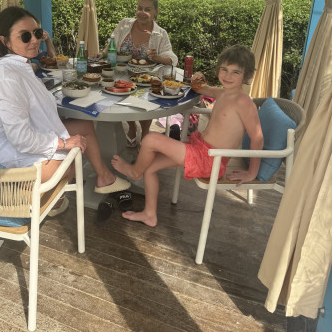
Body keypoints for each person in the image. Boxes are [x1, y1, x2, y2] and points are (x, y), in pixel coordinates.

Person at [0, 7, 130, 214]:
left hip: (28, 137)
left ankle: (104, 177)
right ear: (5, 41)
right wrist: (63, 143)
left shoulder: (21, 67)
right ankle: (38, 197)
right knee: (72, 161)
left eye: (36, 33)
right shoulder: (8, 79)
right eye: (25, 36)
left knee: (84, 125)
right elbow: (20, 139)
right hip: (12, 158)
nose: (34, 40)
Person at [111, 45, 263, 227]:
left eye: (235, 72)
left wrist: (252, 172)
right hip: (199, 150)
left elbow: (257, 137)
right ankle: (149, 214)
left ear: (247, 76)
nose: (228, 76)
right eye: (224, 69)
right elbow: (200, 88)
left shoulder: (244, 102)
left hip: (210, 160)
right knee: (149, 167)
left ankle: (134, 172)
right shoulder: (222, 92)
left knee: (150, 139)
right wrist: (197, 79)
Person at [96, 0, 178, 148]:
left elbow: (172, 59)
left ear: (155, 12)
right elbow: (112, 44)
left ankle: (145, 131)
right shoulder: (125, 24)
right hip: (122, 73)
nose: (142, 12)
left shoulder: (160, 34)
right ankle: (132, 126)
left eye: (147, 9)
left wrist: (157, 57)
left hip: (146, 78)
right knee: (121, 97)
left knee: (146, 102)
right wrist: (102, 53)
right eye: (140, 8)